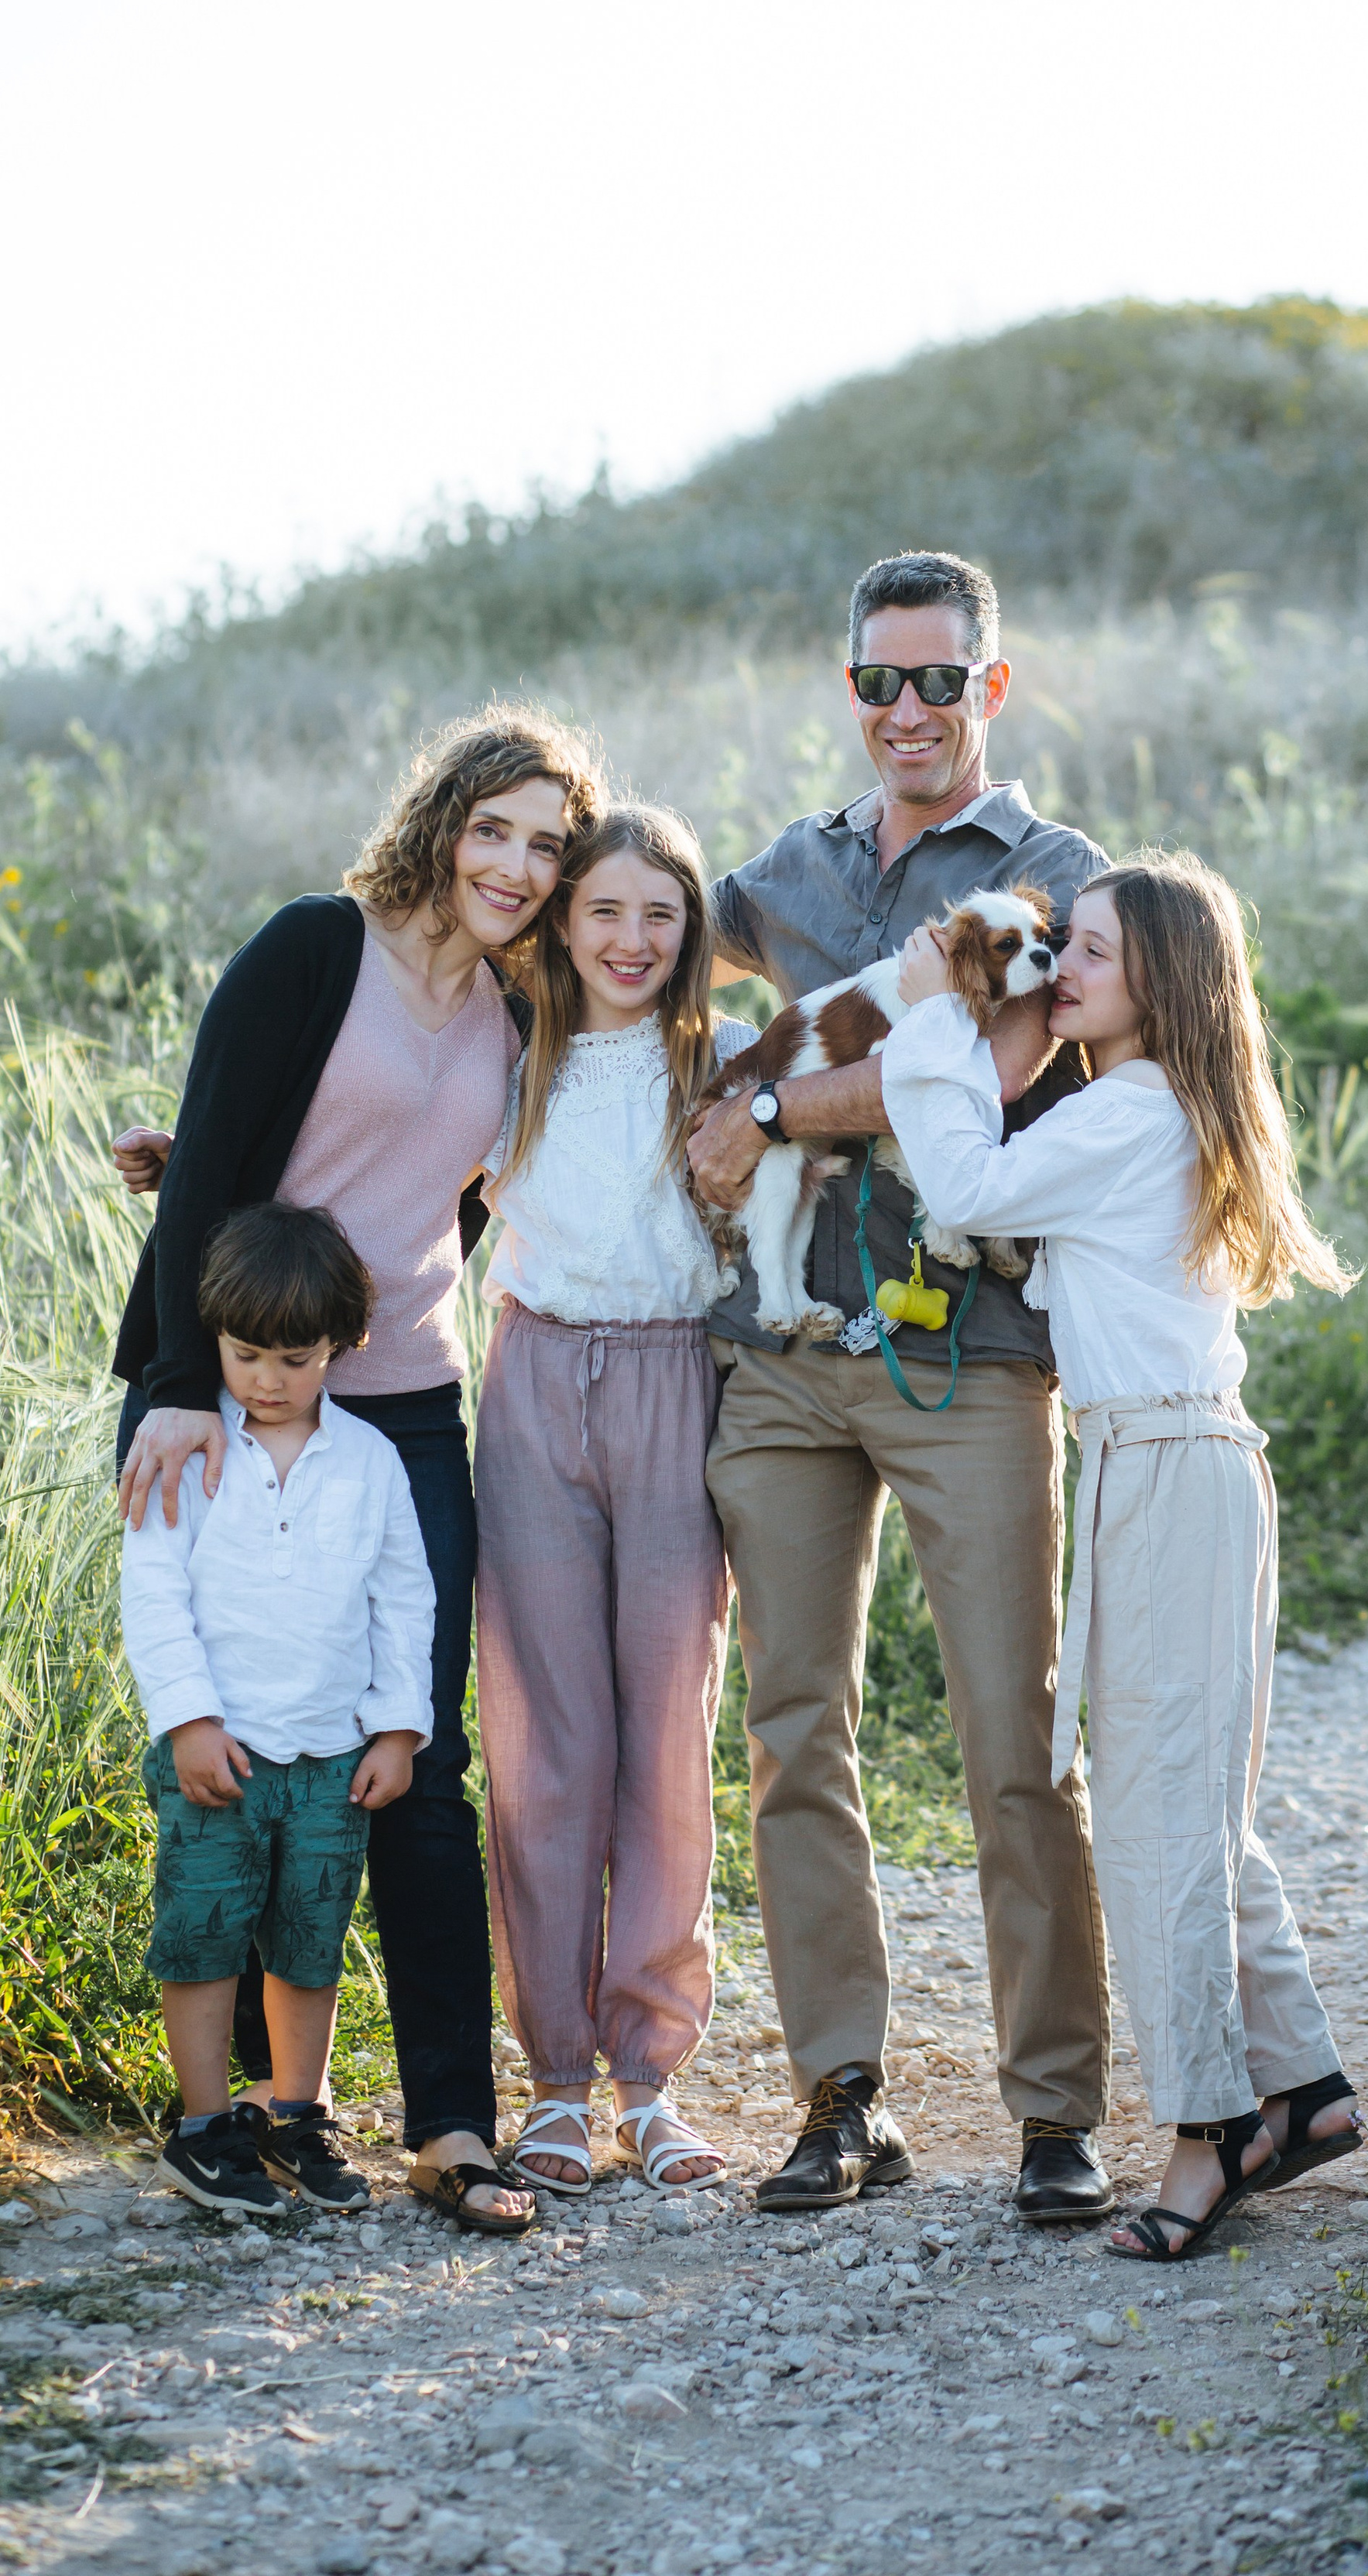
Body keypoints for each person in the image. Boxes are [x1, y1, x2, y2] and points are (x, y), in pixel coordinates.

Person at [110, 703, 604, 2235]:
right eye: (493, 829)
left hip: (404, 1408)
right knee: (251, 1750)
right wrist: (177, 1389)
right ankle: (240, 2107)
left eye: (546, 845)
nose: (514, 866)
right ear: (442, 821)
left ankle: (450, 2125)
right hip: (236, 1394)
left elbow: (454, 1197)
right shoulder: (318, 947)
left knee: (414, 1756)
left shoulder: (517, 1008)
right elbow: (210, 1161)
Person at [687, 549, 1116, 2219]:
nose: (908, 711)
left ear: (989, 688)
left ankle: (1054, 2110)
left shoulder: (1053, 880)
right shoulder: (784, 875)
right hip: (783, 1359)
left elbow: (982, 1079)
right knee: (794, 1733)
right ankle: (839, 2095)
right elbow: (611, 965)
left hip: (969, 1353)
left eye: (940, 680)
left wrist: (768, 1107)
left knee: (1016, 1732)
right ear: (851, 689)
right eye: (880, 681)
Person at [881, 850, 1365, 2260]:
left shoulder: (1133, 1109)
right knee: (1192, 1804)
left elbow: (964, 1185)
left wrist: (935, 1013)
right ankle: (1305, 2087)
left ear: (1162, 978)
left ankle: (1208, 2132)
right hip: (1175, 1465)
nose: (1064, 968)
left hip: (1165, 1469)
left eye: (1092, 949)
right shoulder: (1151, 1107)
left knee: (1157, 1824)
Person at [472, 804, 754, 2198]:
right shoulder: (509, 1050)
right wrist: (209, 1162)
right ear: (563, 922)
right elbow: (374, 1152)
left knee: (664, 1735)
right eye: (604, 913)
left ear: (690, 930)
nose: (631, 941)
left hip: (673, 1382)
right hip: (533, 1379)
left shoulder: (722, 1059)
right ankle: (555, 2082)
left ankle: (651, 2078)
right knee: (545, 1740)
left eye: (660, 915)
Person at [122, 1201, 435, 2218]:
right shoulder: (188, 1452)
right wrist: (188, 1720)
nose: (267, 1379)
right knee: (204, 1933)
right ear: (212, 1336)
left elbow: (404, 1599)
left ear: (340, 1345)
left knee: (310, 1941)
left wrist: (398, 1728)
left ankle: (297, 2114)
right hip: (220, 1752)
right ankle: (205, 2127)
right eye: (245, 1353)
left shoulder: (371, 1461)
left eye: (295, 1359)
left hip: (332, 1760)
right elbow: (153, 1595)